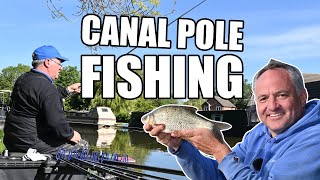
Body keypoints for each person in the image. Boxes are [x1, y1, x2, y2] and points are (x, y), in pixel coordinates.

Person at [144, 59, 320, 179]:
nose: (272, 106)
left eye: (282, 95)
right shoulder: (258, 133)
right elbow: (219, 175)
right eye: (263, 98)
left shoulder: (314, 141)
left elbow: (226, 160)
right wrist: (180, 147)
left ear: (302, 97)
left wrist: (219, 150)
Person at [4, 45, 83, 154]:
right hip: (31, 142)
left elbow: (39, 99)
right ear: (48, 62)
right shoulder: (45, 86)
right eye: (59, 63)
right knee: (81, 146)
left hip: (13, 140)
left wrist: (67, 90)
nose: (61, 68)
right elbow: (56, 122)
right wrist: (70, 134)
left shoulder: (24, 79)